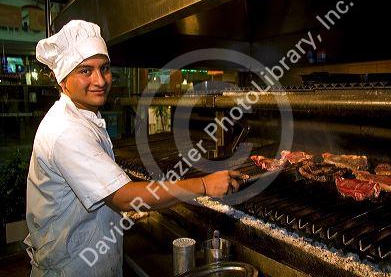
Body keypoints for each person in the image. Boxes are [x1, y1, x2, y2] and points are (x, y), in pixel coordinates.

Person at [25, 20, 241, 276]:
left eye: (104, 68)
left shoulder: (81, 116)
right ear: (63, 80)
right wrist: (203, 185)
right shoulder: (66, 131)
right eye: (85, 71)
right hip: (73, 268)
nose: (100, 80)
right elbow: (125, 196)